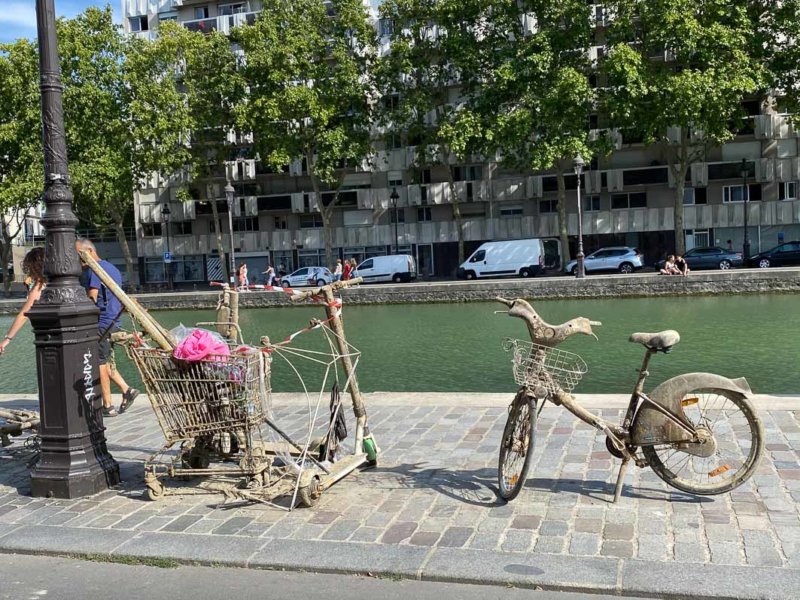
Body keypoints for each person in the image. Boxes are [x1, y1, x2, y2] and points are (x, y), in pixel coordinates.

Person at [76, 239, 139, 417]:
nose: (78, 260)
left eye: (79, 254)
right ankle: (127, 390)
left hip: (102, 323)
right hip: (113, 321)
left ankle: (108, 405)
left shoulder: (96, 269)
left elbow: (93, 297)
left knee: (99, 363)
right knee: (106, 359)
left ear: (88, 251)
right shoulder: (113, 268)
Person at [0, 248, 45, 357]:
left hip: (48, 336)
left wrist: (7, 339)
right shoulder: (58, 279)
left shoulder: (40, 285)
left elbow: (24, 314)